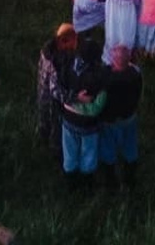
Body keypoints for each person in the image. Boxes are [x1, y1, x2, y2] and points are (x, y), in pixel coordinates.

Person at [60, 37, 108, 186]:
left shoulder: (67, 66)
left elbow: (60, 89)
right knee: (89, 152)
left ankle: (71, 182)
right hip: (89, 124)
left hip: (68, 119)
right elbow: (101, 98)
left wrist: (73, 98)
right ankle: (87, 183)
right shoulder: (99, 76)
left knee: (70, 151)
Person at [99, 44, 142, 188]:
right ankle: (130, 180)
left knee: (108, 148)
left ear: (114, 60)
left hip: (109, 121)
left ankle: (110, 181)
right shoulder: (135, 76)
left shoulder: (106, 77)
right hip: (128, 118)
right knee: (130, 147)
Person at [36, 24, 77, 155]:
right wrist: (74, 99)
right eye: (73, 42)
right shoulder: (55, 62)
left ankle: (42, 139)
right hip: (52, 102)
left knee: (43, 121)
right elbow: (55, 90)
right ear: (63, 41)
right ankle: (55, 151)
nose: (74, 46)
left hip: (42, 93)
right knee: (55, 126)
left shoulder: (46, 50)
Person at [101, 0, 140, 64]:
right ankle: (124, 57)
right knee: (126, 32)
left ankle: (110, 57)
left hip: (113, 10)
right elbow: (137, 1)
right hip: (127, 12)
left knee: (112, 30)